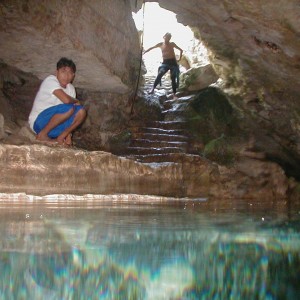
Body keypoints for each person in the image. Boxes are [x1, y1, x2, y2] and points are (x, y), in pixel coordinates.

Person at [28, 57, 86, 146]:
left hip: (55, 129)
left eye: (70, 73)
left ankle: (61, 137)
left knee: (81, 112)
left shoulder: (71, 88)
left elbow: (72, 111)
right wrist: (75, 100)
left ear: (73, 75)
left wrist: (68, 137)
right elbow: (66, 100)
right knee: (69, 107)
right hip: (39, 123)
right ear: (57, 72)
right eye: (63, 72)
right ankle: (42, 135)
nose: (67, 76)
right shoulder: (50, 80)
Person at [143, 32, 183, 99]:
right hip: (165, 62)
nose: (168, 38)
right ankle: (152, 88)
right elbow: (151, 48)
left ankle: (174, 94)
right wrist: (145, 52)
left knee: (173, 78)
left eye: (169, 37)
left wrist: (179, 59)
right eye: (167, 37)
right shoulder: (160, 44)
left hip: (173, 63)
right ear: (164, 37)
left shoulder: (172, 44)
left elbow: (181, 50)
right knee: (160, 73)